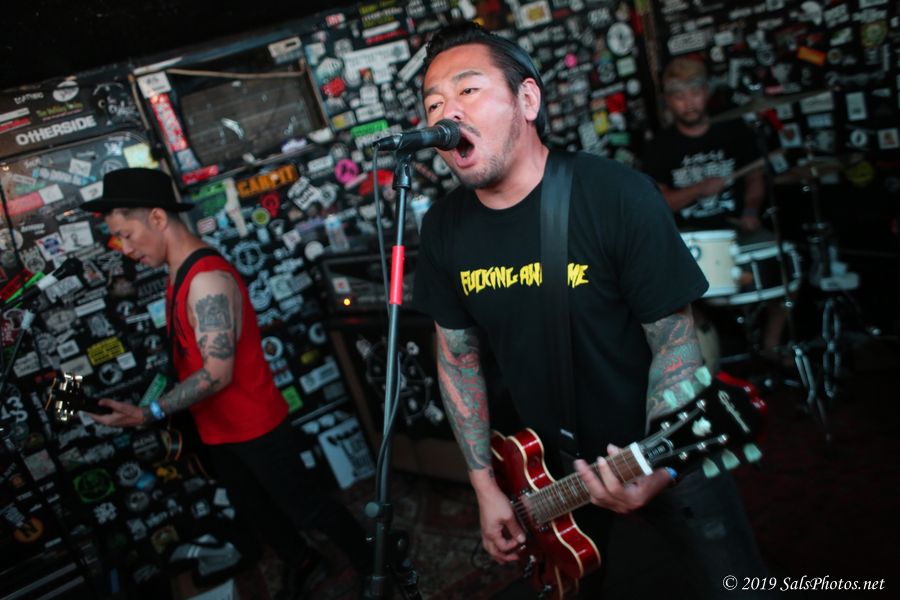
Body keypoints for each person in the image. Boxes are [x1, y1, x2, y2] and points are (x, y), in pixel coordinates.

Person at [411, 22, 773, 599]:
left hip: (665, 448)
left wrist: (659, 465)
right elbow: (457, 359)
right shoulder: (443, 229)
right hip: (549, 475)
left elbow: (675, 340)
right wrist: (484, 486)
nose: (446, 113)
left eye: (468, 91)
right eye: (433, 104)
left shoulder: (615, 195)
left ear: (528, 100)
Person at [82, 168, 370, 599]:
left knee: (309, 508)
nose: (126, 249)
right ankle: (303, 560)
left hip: (255, 425)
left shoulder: (205, 280)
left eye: (126, 235)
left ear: (157, 218)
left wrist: (150, 412)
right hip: (218, 429)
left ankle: (376, 562)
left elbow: (217, 372)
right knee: (257, 512)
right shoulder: (178, 271)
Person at [642, 57, 786, 355]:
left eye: (694, 93)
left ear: (706, 93)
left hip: (736, 229)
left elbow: (755, 178)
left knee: (784, 269)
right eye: (679, 96)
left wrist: (750, 210)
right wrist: (699, 188)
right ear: (669, 101)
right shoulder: (660, 147)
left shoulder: (733, 131)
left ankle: (771, 346)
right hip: (690, 239)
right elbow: (660, 203)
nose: (689, 103)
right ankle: (710, 357)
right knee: (671, 298)